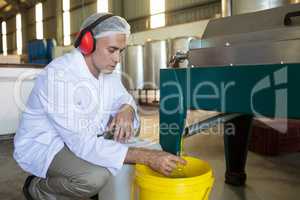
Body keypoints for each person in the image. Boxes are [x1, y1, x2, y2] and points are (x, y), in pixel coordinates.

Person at [14, 13, 186, 200]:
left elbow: (124, 97)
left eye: (121, 51)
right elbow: (82, 143)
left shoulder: (107, 73)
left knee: (129, 129)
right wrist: (147, 157)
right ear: (88, 44)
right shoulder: (59, 77)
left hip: (80, 137)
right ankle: (38, 188)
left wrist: (126, 108)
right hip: (47, 143)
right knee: (93, 178)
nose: (117, 59)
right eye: (112, 50)